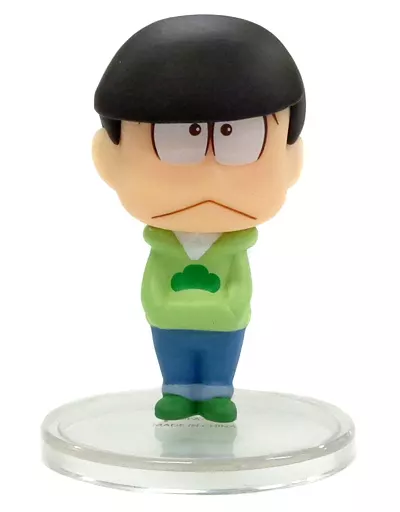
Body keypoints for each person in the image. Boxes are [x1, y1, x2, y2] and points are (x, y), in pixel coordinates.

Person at [92, 14, 306, 422]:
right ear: (107, 158)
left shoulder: (234, 247)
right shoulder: (162, 245)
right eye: (176, 139)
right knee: (172, 356)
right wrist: (159, 305)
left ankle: (216, 393)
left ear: (292, 160)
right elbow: (152, 284)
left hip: (225, 324)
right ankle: (176, 390)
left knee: (221, 358)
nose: (210, 173)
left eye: (240, 139)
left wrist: (230, 305)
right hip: (169, 323)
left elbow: (240, 285)